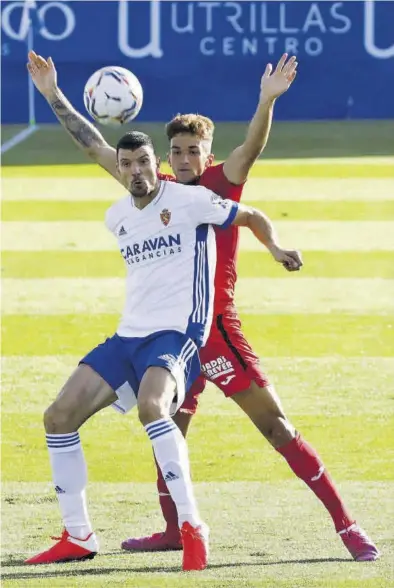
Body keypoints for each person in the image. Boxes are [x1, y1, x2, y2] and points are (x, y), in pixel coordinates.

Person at [27, 51, 378, 563]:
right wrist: (53, 94)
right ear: (165, 157)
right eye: (177, 151)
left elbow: (252, 149)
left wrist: (266, 102)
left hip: (216, 332)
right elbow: (99, 149)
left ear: (208, 154)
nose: (186, 159)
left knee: (275, 427)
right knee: (167, 425)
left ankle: (347, 526)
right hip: (167, 335)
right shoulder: (156, 189)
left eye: (194, 151)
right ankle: (174, 527)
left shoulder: (218, 185)